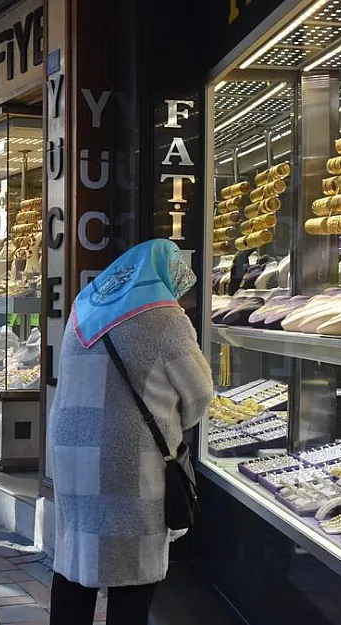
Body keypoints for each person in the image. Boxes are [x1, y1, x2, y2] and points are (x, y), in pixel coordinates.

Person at [49, 239, 212, 625]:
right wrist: (176, 420)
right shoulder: (165, 317)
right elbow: (199, 393)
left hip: (72, 455)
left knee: (77, 559)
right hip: (127, 457)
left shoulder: (85, 305)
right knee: (132, 571)